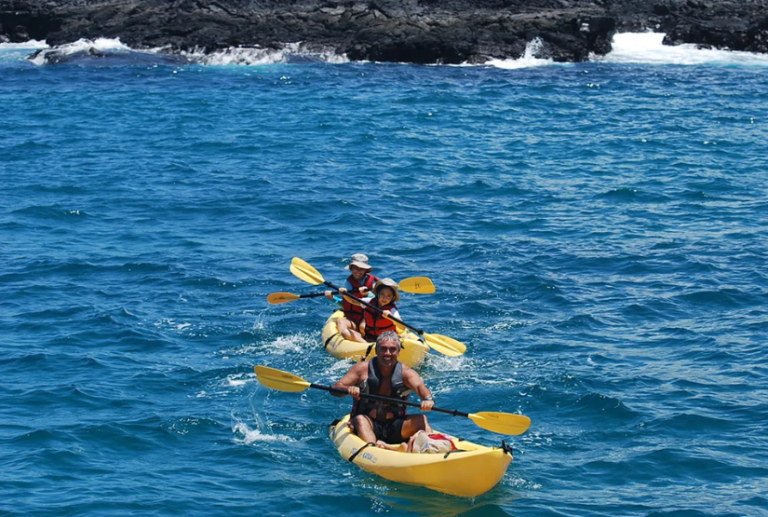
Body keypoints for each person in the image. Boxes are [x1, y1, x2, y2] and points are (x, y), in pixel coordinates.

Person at [332, 331, 435, 448]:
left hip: (396, 426)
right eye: (383, 349)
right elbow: (336, 388)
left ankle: (431, 448)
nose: (388, 353)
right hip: (368, 423)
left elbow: (420, 388)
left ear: (398, 352)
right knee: (360, 419)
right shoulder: (361, 369)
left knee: (421, 419)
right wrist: (348, 388)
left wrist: (428, 399)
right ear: (376, 350)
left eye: (392, 349)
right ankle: (374, 449)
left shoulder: (407, 373)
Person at [324, 253, 378, 341]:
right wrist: (333, 298)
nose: (357, 271)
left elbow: (377, 302)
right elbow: (347, 303)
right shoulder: (348, 283)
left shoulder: (372, 283)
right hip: (354, 318)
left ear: (365, 270)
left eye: (361, 268)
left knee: (362, 326)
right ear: (351, 268)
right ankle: (350, 343)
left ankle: (368, 343)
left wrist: (366, 293)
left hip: (370, 318)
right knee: (340, 322)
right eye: (355, 268)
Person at [358, 278, 401, 343]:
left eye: (388, 296)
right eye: (382, 294)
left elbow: (402, 327)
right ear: (378, 294)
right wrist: (344, 293)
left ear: (393, 298)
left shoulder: (392, 310)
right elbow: (353, 300)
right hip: (370, 337)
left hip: (387, 339)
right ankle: (365, 344)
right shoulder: (369, 302)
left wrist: (391, 317)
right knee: (346, 333)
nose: (384, 298)